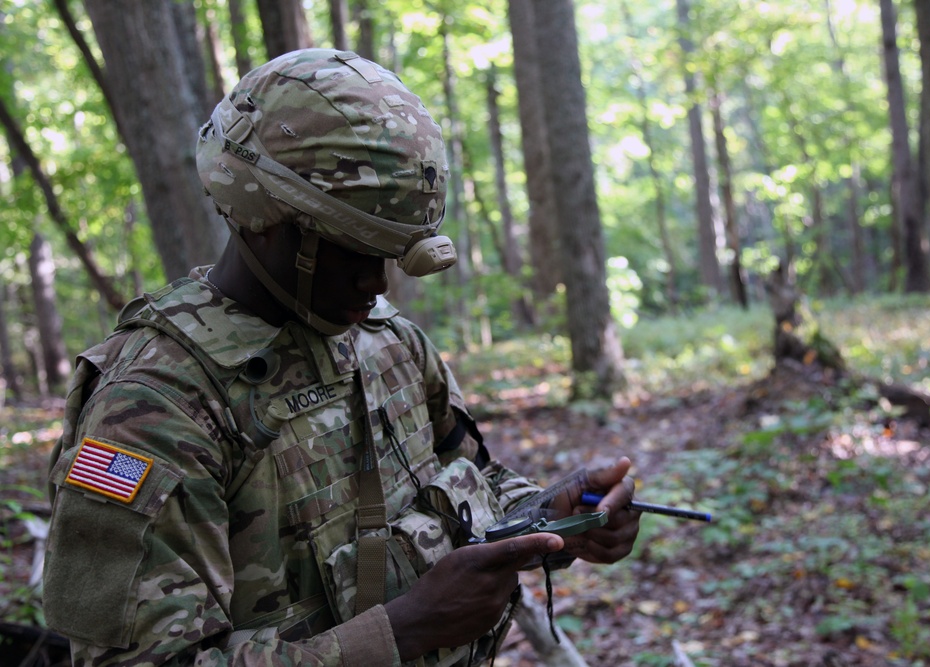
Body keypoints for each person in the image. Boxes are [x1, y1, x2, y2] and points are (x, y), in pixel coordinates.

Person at [42, 48, 640, 666]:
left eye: (393, 254)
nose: (377, 283)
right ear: (264, 215)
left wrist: (550, 515)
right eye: (353, 250)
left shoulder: (389, 343)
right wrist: (403, 630)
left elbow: (471, 479)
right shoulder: (156, 404)